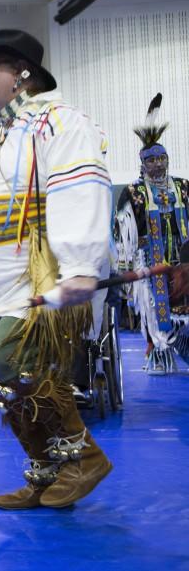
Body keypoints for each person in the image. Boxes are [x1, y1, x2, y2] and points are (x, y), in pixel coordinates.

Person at [0, 29, 112, 509]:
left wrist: (82, 264)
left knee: (14, 363)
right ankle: (44, 472)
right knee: (4, 379)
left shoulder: (58, 122)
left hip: (39, 273)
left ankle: (84, 457)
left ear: (23, 74)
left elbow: (79, 186)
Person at [115, 94, 189, 374]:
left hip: (183, 260)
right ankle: (159, 353)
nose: (157, 165)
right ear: (142, 163)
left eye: (162, 158)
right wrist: (124, 266)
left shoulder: (183, 187)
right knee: (154, 309)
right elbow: (123, 232)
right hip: (149, 260)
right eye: (151, 160)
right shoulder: (133, 193)